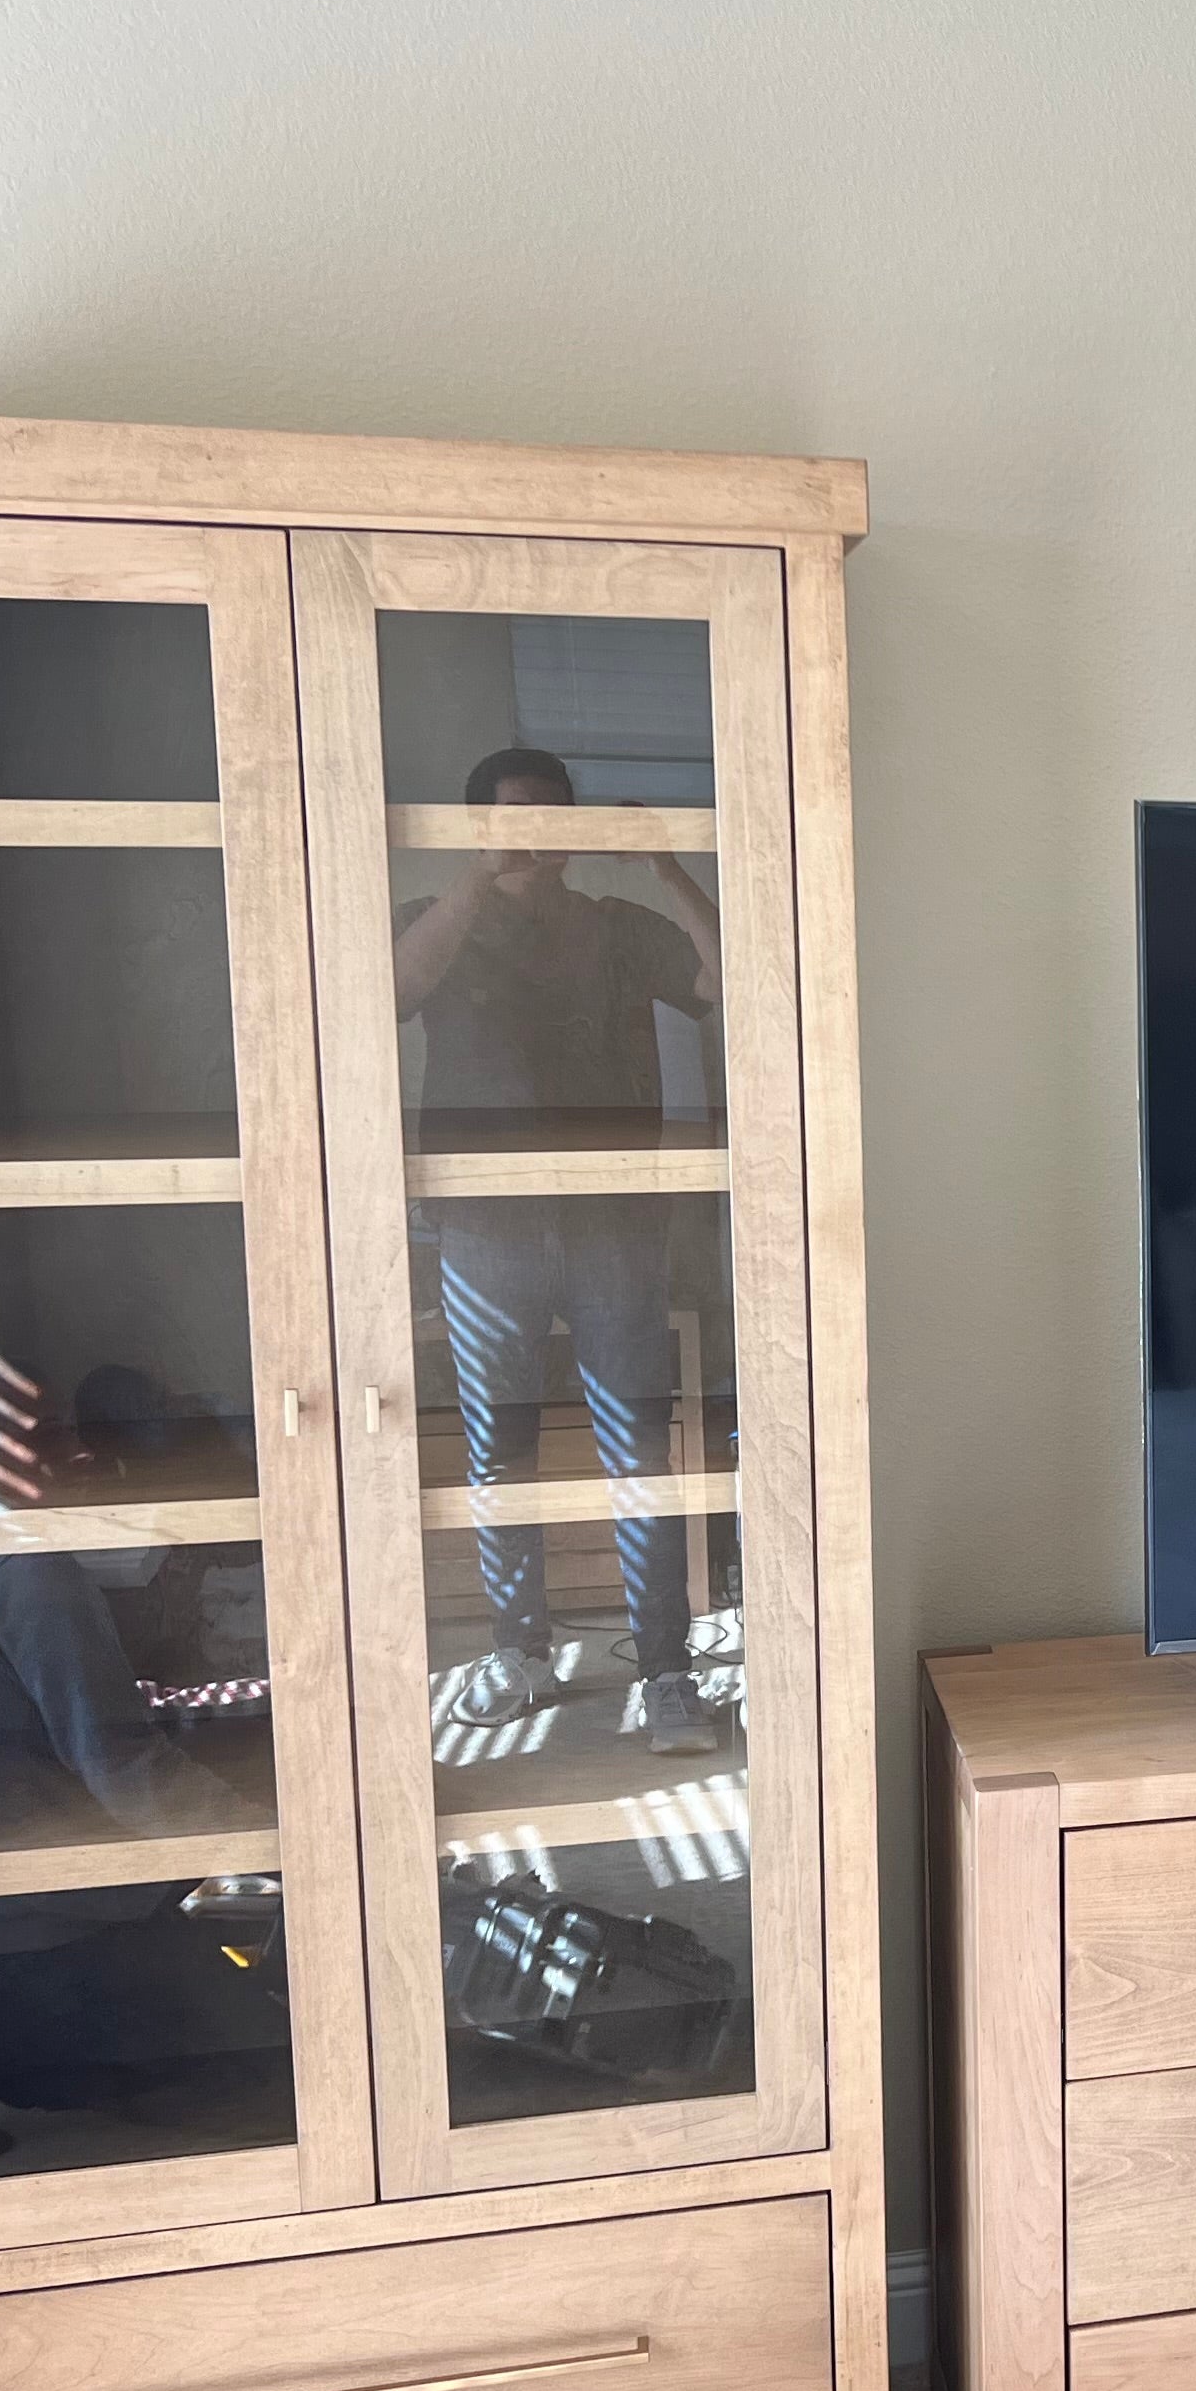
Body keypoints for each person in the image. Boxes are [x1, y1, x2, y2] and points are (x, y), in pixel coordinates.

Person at [392, 745, 728, 1758]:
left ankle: (667, 1670)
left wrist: (666, 865)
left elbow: (730, 978)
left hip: (615, 1216)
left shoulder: (622, 928)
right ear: (478, 829)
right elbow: (387, 994)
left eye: (550, 817)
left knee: (635, 1444)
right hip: (482, 1220)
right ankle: (520, 1655)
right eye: (511, 818)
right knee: (499, 1446)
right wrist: (477, 875)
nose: (534, 834)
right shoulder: (438, 918)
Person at [0, 1354, 287, 2155]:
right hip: (42, 1944)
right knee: (296, 2072)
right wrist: (285, 1846)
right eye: (50, 1438)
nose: (82, 1451)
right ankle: (17, 2058)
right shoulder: (25, 1572)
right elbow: (127, 1771)